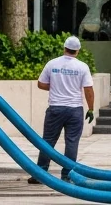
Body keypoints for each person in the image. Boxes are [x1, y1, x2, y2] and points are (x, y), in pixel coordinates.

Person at [29, 36, 95, 184]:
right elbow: (88, 90)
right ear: (77, 51)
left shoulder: (52, 64)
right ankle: (67, 175)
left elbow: (41, 84)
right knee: (72, 142)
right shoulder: (82, 67)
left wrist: (55, 86)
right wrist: (91, 109)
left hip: (55, 109)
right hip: (75, 110)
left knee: (48, 141)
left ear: (64, 48)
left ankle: (40, 174)